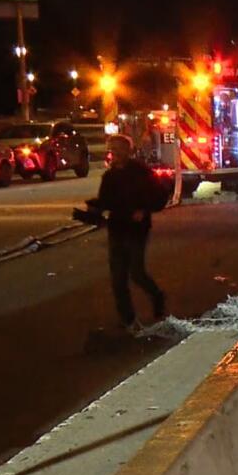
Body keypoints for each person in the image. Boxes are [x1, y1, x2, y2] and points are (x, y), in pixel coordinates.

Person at [86, 135, 166, 333]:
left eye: (119, 149)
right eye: (112, 149)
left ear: (128, 151)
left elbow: (159, 196)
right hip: (117, 229)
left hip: (137, 231)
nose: (115, 153)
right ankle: (128, 320)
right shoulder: (110, 176)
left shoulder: (141, 173)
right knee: (118, 278)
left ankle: (157, 296)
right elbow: (106, 201)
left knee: (136, 273)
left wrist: (143, 209)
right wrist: (93, 210)